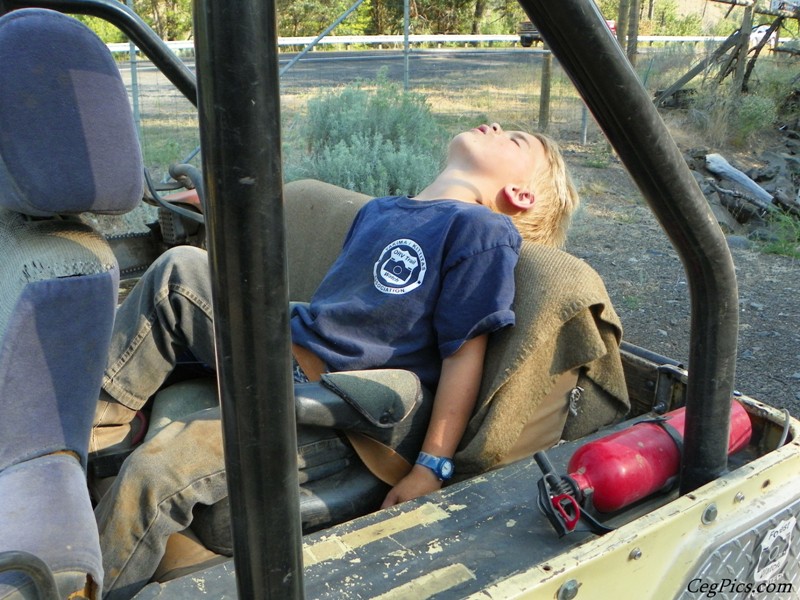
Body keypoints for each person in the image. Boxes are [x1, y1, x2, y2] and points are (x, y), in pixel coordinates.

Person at [91, 123, 579, 599]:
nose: (494, 125)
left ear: (521, 195)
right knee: (181, 269)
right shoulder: (383, 211)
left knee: (154, 473)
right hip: (290, 353)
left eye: (515, 139)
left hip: (341, 413)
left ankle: (81, 588)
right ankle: (90, 438)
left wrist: (431, 465)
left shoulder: (481, 230)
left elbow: (463, 353)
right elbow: (337, 315)